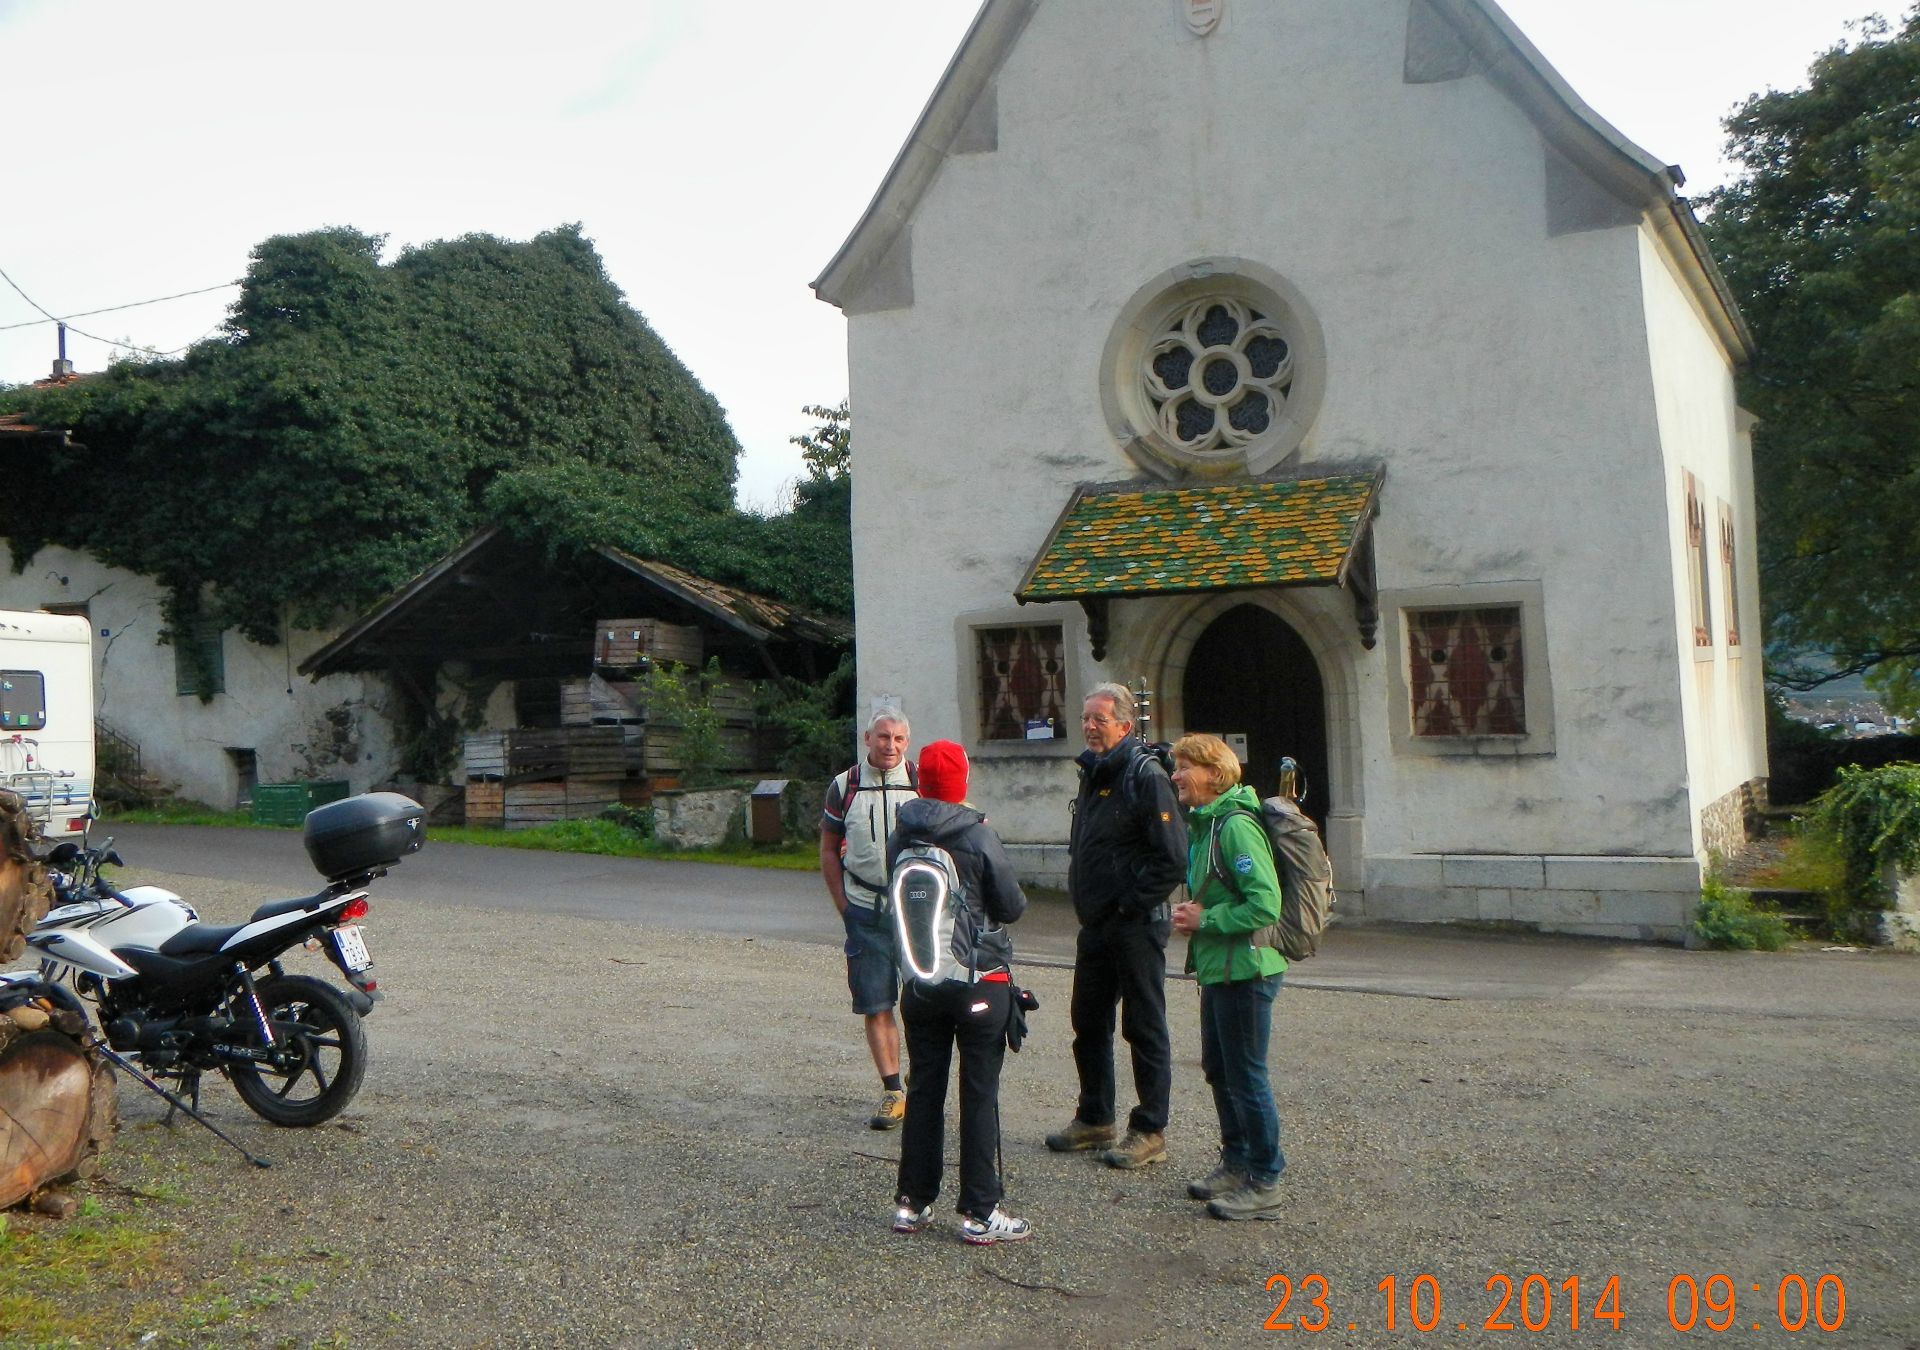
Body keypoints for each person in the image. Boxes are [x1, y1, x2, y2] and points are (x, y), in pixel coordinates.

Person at [886, 739, 1032, 1245]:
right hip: (979, 981)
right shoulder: (977, 833)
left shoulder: (902, 831)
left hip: (921, 982)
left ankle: (912, 1203)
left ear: (920, 780)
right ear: (962, 781)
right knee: (979, 1093)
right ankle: (979, 1212)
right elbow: (1011, 906)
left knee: (925, 1088)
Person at [1045, 682, 1187, 1169]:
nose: (1088, 726)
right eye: (1085, 717)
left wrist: (1128, 905)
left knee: (1143, 1027)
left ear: (1125, 726)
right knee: (1088, 1022)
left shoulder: (1145, 776)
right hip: (1098, 926)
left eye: (1099, 719)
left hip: (1136, 925)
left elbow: (1172, 858)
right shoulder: (1094, 772)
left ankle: (1149, 1130)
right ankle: (1095, 1119)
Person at [1168, 732, 1287, 1220]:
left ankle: (1265, 1179)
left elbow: (1265, 904)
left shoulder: (1235, 827)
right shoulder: (1207, 825)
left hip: (1247, 971)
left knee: (1246, 1075)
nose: (1175, 775)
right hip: (1221, 968)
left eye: (1184, 767)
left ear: (1214, 775)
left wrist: (1205, 921)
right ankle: (1236, 1161)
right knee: (1221, 1070)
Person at [820, 708, 917, 1129]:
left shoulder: (921, 782)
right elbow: (828, 848)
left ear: (907, 743)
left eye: (897, 739)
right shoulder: (845, 786)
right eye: (882, 737)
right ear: (867, 738)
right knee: (876, 1003)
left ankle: (923, 1079)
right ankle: (893, 1091)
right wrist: (844, 905)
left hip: (915, 913)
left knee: (922, 1002)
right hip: (864, 908)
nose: (889, 746)